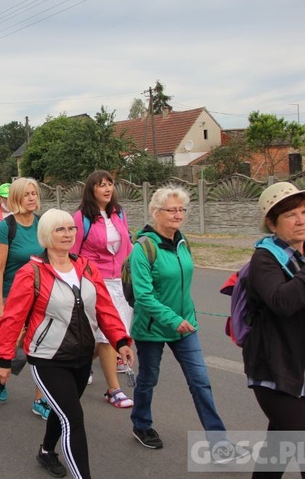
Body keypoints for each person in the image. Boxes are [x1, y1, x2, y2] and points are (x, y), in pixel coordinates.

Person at [0, 209, 134, 479]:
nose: (68, 234)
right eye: (60, 230)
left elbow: (105, 308)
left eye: (71, 228)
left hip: (81, 357)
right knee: (73, 418)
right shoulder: (31, 272)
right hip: (48, 360)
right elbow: (12, 319)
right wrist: (3, 359)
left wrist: (120, 340)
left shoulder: (86, 266)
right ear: (47, 235)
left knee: (62, 411)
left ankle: (46, 451)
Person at [129, 186, 229, 451]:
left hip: (185, 325)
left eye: (181, 209)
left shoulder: (183, 241)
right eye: (171, 210)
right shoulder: (143, 248)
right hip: (151, 327)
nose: (177, 214)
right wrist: (172, 319)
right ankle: (141, 424)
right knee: (148, 379)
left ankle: (218, 441)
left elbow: (183, 285)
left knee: (200, 382)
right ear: (155, 212)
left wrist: (186, 315)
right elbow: (143, 296)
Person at [244, 182, 305, 476]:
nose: (302, 220)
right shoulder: (264, 258)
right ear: (271, 222)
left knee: (279, 448)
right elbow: (283, 302)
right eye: (291, 214)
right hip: (275, 372)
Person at [69, 171, 134, 408]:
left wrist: (131, 277)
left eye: (110, 184)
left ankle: (82, 364)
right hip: (96, 283)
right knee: (107, 336)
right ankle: (113, 390)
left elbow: (127, 245)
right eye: (101, 185)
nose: (107, 189)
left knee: (116, 334)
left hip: (120, 282)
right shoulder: (81, 217)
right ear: (91, 190)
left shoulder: (120, 213)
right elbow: (73, 253)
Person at [0, 177, 49, 419]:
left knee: (42, 348)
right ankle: (0, 370)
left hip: (40, 297)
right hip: (12, 297)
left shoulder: (43, 224)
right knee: (18, 350)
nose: (32, 198)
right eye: (27, 194)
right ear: (16, 198)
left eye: (34, 193)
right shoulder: (6, 227)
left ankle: (40, 400)